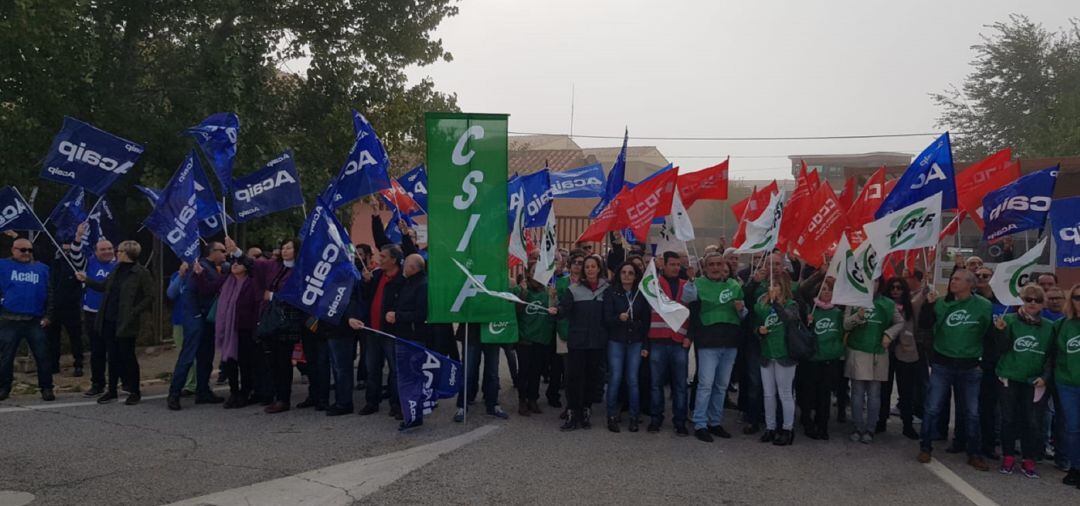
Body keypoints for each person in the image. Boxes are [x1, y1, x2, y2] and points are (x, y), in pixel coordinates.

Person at [917, 269, 993, 471]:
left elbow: (988, 334)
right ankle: (925, 446)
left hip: (970, 366)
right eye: (952, 279)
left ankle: (974, 453)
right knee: (932, 408)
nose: (953, 282)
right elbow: (924, 325)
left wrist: (982, 361)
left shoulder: (984, 306)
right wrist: (928, 306)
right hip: (943, 364)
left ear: (970, 284)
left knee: (972, 412)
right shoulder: (941, 303)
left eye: (958, 279)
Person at [76, 240, 154, 405]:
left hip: (126, 321)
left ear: (126, 253)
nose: (116, 253)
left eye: (118, 251)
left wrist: (134, 312)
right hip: (108, 318)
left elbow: (149, 296)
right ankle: (111, 390)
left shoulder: (140, 272)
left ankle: (134, 390)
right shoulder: (116, 269)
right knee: (112, 356)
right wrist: (87, 280)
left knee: (127, 356)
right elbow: (104, 286)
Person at [992, 284, 1053, 478]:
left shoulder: (1049, 327)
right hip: (1009, 376)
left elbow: (1052, 357)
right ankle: (1008, 456)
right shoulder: (1008, 320)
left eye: (1037, 300)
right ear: (1022, 301)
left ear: (1043, 304)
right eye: (1028, 299)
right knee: (1008, 419)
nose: (1032, 303)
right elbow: (1000, 349)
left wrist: (1045, 378)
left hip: (1034, 381)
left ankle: (1029, 459)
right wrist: (1000, 331)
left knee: (1032, 421)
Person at [685, 252, 745, 442]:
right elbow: (687, 298)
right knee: (705, 384)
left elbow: (743, 314)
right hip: (708, 343)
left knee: (721, 385)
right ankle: (700, 423)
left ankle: (715, 421)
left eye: (719, 264)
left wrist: (741, 310)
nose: (716, 267)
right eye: (711, 264)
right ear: (705, 267)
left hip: (730, 342)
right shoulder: (698, 285)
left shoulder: (734, 286)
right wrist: (690, 281)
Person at [166, 242, 228, 410]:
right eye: (222, 251)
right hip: (196, 316)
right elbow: (203, 290)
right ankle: (174, 394)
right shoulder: (200, 267)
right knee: (188, 356)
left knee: (206, 357)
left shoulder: (211, 267)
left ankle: (203, 391)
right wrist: (224, 277)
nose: (225, 254)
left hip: (206, 317)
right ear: (212, 252)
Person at [843, 281, 904, 444]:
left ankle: (870, 428)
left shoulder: (888, 303)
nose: (873, 283)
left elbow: (900, 322)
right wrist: (858, 316)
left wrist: (889, 335)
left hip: (878, 353)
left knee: (874, 394)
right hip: (857, 350)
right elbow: (845, 324)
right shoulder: (854, 300)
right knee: (857, 393)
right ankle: (858, 426)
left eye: (877, 280)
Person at [646, 252, 695, 436]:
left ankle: (680, 421)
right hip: (657, 339)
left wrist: (690, 336)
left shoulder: (687, 286)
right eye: (672, 264)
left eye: (677, 265)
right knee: (656, 384)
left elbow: (694, 313)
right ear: (663, 265)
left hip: (679, 341)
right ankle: (655, 418)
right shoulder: (653, 284)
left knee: (680, 385)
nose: (675, 267)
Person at [557, 254, 608, 431]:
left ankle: (586, 410)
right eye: (587, 267)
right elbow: (564, 308)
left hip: (597, 342)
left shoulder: (606, 289)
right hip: (578, 341)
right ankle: (573, 411)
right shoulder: (574, 289)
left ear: (599, 268)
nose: (590, 270)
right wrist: (556, 309)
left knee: (592, 378)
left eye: (593, 266)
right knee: (574, 378)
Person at [0, 238, 55, 401]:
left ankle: (46, 388)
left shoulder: (42, 269)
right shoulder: (2, 265)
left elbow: (50, 294)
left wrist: (48, 316)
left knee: (43, 356)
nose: (26, 253)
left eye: (29, 250)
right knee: (6, 357)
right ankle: (4, 388)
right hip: (9, 319)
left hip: (34, 320)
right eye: (22, 250)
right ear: (13, 250)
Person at [208, 256, 263, 408]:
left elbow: (256, 306)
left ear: (246, 267)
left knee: (245, 363)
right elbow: (208, 288)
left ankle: (245, 393)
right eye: (233, 263)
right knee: (229, 362)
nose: (235, 265)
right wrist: (198, 274)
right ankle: (234, 392)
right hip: (228, 329)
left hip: (245, 328)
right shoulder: (227, 280)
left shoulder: (251, 283)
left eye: (239, 263)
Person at [602, 260, 650, 432]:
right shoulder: (611, 293)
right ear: (619, 274)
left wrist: (645, 344)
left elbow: (646, 322)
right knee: (615, 378)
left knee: (633, 380)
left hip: (636, 341)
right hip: (616, 340)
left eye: (631, 273)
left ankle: (634, 417)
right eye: (624, 272)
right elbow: (606, 319)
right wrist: (617, 318)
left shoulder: (641, 294)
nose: (627, 275)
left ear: (636, 276)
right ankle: (611, 416)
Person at [359, 244, 406, 419]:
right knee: (372, 368)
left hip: (390, 332)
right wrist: (365, 282)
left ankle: (395, 404)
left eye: (383, 256)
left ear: (394, 259)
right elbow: (365, 297)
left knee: (395, 370)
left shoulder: (402, 278)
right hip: (372, 329)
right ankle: (372, 401)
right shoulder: (377, 275)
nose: (379, 259)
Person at [795, 273, 843, 440]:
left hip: (829, 359)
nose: (826, 293)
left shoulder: (838, 312)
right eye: (823, 290)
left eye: (829, 290)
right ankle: (807, 422)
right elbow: (801, 291)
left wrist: (837, 349)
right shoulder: (809, 310)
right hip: (812, 358)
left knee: (825, 394)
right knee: (809, 392)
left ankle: (822, 425)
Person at [753, 277, 799, 446]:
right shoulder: (762, 305)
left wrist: (776, 303)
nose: (773, 287)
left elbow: (789, 319)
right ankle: (770, 427)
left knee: (785, 393)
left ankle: (788, 429)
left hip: (784, 354)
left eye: (777, 285)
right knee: (768, 394)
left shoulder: (791, 305)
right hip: (767, 353)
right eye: (771, 284)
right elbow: (755, 324)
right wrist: (759, 330)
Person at [78, 225, 119, 397]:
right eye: (103, 249)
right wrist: (79, 236)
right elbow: (75, 255)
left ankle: (116, 384)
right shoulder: (89, 262)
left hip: (113, 314)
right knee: (97, 351)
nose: (107, 251)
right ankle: (97, 383)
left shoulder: (119, 265)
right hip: (93, 313)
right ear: (96, 251)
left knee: (115, 351)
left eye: (110, 248)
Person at [516, 261, 557, 418]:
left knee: (536, 371)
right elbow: (517, 311)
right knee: (524, 371)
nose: (536, 273)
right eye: (533, 270)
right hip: (525, 338)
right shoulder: (524, 291)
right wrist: (522, 293)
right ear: (528, 273)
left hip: (542, 338)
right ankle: (522, 400)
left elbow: (553, 313)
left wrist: (554, 300)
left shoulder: (548, 292)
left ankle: (533, 399)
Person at [1053, 283, 1080, 488]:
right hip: (1068, 384)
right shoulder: (1062, 325)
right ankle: (1076, 467)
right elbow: (1053, 354)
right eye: (1077, 297)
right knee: (1072, 428)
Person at [47, 241, 84, 378]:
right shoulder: (54, 264)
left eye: (69, 251)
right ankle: (54, 364)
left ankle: (78, 364)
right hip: (54, 307)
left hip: (71, 307)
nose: (65, 254)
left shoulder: (76, 265)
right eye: (63, 250)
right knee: (53, 339)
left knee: (75, 338)